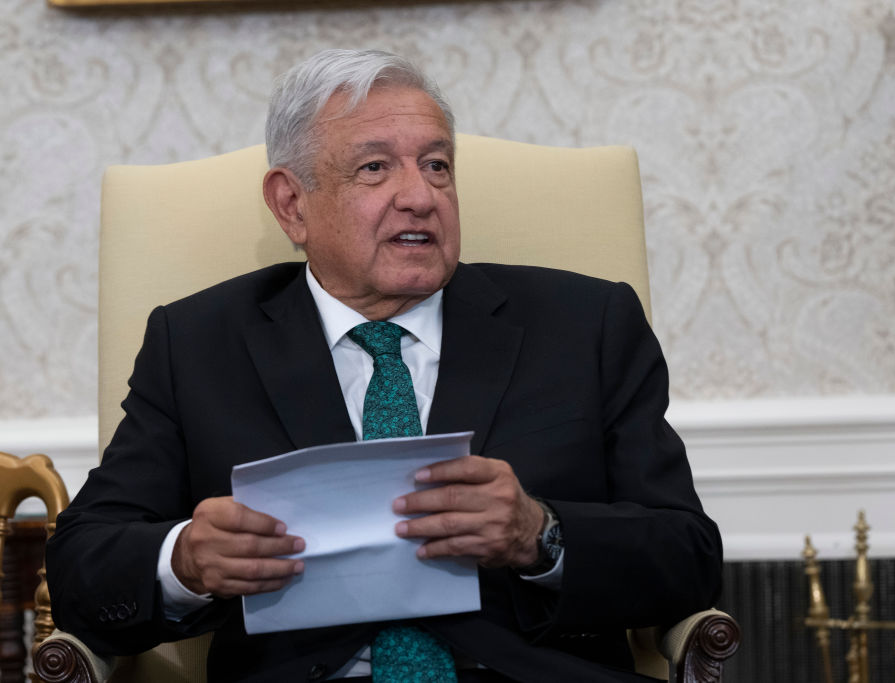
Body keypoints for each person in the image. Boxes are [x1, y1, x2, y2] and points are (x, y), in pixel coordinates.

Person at [46, 49, 722, 682]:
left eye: (436, 165)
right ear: (292, 204)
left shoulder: (585, 324)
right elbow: (82, 564)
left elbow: (688, 555)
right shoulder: (197, 343)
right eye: (375, 168)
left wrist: (539, 534)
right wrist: (184, 558)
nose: (421, 196)